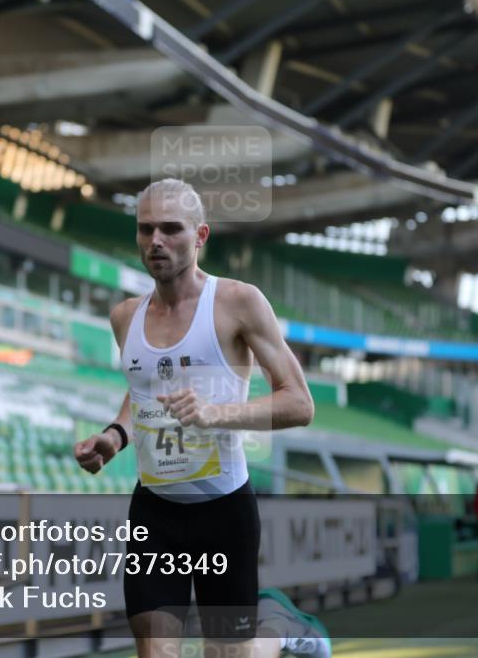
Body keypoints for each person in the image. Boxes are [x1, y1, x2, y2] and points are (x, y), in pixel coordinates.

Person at [73, 179, 330, 657]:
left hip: (224, 512)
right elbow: (142, 395)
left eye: (171, 229)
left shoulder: (237, 302)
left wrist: (217, 414)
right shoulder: (124, 317)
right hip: (155, 510)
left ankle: (278, 628)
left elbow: (299, 402)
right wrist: (114, 437)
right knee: (155, 651)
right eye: (146, 229)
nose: (156, 241)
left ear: (201, 235)